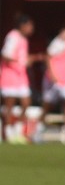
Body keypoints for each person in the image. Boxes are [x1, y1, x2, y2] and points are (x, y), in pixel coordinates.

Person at [2, 14, 38, 144]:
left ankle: (18, 130)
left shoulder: (24, 39)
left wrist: (28, 60)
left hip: (21, 76)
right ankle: (8, 132)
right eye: (29, 25)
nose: (31, 28)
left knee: (26, 102)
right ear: (22, 25)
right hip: (10, 75)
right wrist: (21, 61)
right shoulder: (13, 36)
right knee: (9, 106)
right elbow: (5, 55)